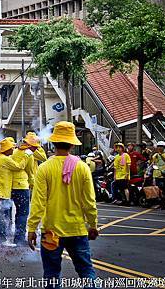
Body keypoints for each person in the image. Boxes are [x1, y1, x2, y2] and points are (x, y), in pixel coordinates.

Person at [27, 121, 98, 289]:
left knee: (51, 275)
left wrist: (31, 228)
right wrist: (93, 225)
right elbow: (89, 202)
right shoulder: (82, 167)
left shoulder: (44, 168)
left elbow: (38, 202)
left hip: (51, 231)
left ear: (53, 142)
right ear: (72, 144)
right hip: (77, 229)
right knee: (86, 272)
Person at [0, 137, 26, 245]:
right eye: (11, 148)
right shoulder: (5, 159)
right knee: (3, 217)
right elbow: (19, 167)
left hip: (2, 191)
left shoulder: (0, 157)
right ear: (6, 149)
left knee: (2, 216)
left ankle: (0, 239)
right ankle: (2, 240)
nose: (13, 149)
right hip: (4, 192)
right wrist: (27, 155)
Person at [11, 133, 36, 245]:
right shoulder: (28, 154)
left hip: (12, 186)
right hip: (22, 187)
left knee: (16, 213)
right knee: (22, 213)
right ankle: (19, 239)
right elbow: (30, 172)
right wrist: (33, 184)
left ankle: (16, 237)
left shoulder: (15, 151)